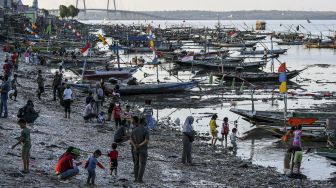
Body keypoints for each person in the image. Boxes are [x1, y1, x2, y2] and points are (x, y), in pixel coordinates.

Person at [130, 117, 149, 183]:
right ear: (143, 122)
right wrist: (140, 145)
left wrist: (135, 145)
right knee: (142, 164)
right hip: (143, 149)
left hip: (135, 149)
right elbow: (146, 140)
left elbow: (131, 139)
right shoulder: (145, 130)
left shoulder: (134, 130)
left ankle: (135, 179)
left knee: (136, 164)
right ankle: (139, 179)